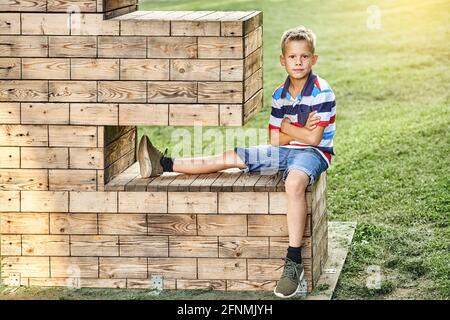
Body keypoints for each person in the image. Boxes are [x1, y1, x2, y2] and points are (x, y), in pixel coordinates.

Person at [138, 25, 336, 298]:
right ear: (283, 60)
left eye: (304, 56)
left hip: (313, 155)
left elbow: (314, 139)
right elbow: (274, 138)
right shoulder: (280, 94)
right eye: (292, 57)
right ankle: (164, 164)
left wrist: (289, 127)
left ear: (313, 59)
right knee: (230, 157)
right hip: (282, 150)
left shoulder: (322, 91)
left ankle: (293, 262)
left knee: (294, 182)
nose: (298, 62)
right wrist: (291, 130)